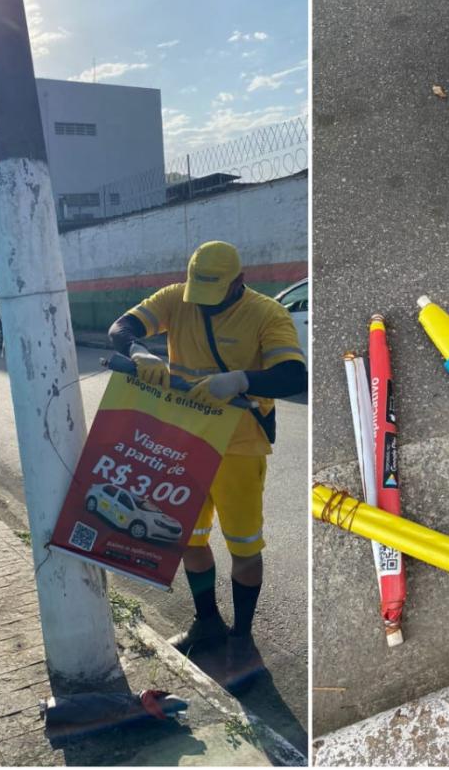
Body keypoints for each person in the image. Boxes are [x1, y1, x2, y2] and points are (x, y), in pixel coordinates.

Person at [108, 240, 307, 681]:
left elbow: (293, 375)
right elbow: (121, 328)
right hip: (186, 441)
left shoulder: (266, 314)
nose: (203, 303)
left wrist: (240, 379)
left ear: (240, 281)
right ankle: (208, 623)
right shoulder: (177, 298)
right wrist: (140, 351)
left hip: (238, 445)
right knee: (187, 538)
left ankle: (243, 638)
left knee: (244, 547)